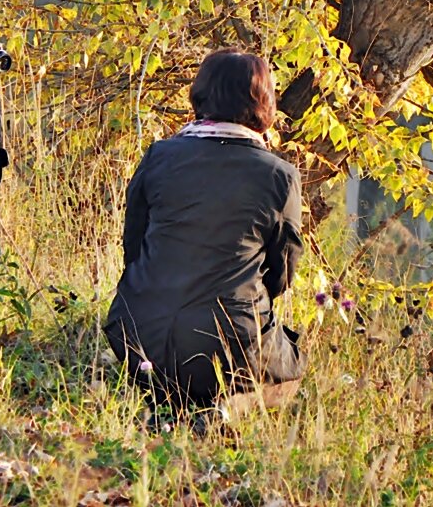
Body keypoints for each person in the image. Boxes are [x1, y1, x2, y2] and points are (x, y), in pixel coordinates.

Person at [104, 49, 305, 410]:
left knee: (170, 373)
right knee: (292, 369)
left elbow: (133, 248)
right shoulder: (279, 176)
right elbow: (282, 275)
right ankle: (227, 411)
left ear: (200, 94)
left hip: (137, 334)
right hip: (228, 343)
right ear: (264, 104)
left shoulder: (159, 156)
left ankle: (164, 397)